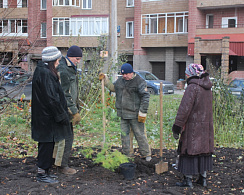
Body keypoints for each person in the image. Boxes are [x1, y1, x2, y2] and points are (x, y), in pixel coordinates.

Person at [31, 46, 72, 183]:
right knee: (46, 146)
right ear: (51, 60)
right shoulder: (46, 74)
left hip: (45, 117)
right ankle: (42, 174)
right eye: (57, 59)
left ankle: (45, 171)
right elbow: (52, 99)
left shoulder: (43, 71)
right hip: (46, 118)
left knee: (47, 145)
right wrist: (62, 116)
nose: (59, 62)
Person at [172, 63, 214, 188]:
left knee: (189, 151)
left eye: (187, 72)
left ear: (190, 74)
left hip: (193, 126)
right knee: (203, 151)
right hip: (206, 127)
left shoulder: (192, 87)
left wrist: (177, 126)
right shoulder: (208, 88)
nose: (185, 75)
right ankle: (203, 178)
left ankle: (188, 181)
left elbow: (184, 109)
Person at [99, 63, 152, 161]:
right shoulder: (120, 81)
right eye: (123, 74)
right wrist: (105, 80)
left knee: (139, 134)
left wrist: (143, 111)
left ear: (132, 73)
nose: (124, 76)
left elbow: (145, 96)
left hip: (136, 114)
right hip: (123, 114)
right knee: (124, 135)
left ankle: (146, 154)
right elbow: (113, 87)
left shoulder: (139, 81)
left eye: (127, 74)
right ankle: (128, 154)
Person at [56, 45, 83, 174]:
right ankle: (63, 166)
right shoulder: (64, 69)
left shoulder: (70, 68)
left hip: (65, 108)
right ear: (70, 56)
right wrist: (74, 111)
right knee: (67, 137)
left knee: (61, 136)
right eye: (77, 58)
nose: (78, 61)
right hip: (64, 109)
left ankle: (56, 161)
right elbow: (65, 93)